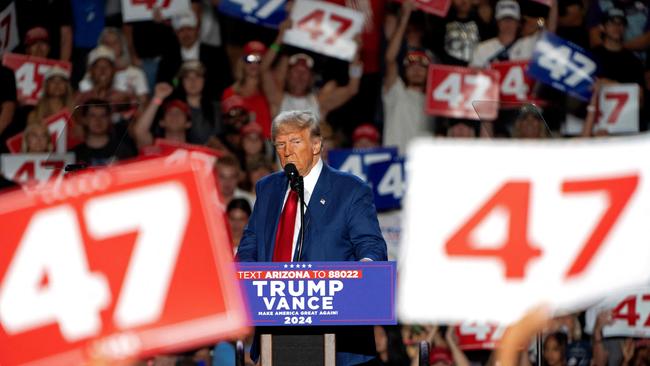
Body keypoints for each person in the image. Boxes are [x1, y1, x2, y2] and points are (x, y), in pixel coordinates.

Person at [236, 110, 387, 365]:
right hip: (277, 328)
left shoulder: (350, 189)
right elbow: (251, 242)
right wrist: (240, 276)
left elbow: (370, 245)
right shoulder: (267, 188)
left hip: (337, 336)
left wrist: (365, 272)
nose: (286, 151)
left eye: (295, 142)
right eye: (280, 144)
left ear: (316, 144)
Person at [261, 22, 363, 121]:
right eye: (296, 71)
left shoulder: (319, 104)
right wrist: (280, 38)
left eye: (305, 72)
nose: (300, 76)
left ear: (311, 78)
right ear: (287, 76)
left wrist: (355, 53)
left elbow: (352, 89)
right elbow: (263, 69)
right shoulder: (278, 99)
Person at [383, 0, 435, 155]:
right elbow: (390, 59)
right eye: (411, 66)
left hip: (421, 168)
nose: (416, 71)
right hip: (394, 167)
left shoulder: (434, 102)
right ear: (404, 71)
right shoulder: (396, 91)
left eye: (422, 67)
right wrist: (405, 17)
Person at [222, 40, 273, 138]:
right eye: (249, 59)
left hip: (266, 144)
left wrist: (278, 41)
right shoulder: (229, 93)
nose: (254, 64)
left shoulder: (269, 92)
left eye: (259, 60)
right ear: (242, 62)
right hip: (240, 145)